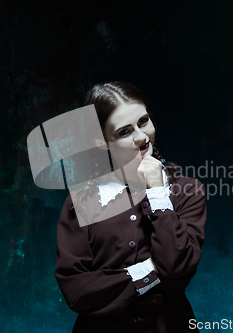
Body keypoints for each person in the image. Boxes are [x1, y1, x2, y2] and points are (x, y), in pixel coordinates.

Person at [54, 81, 207, 333]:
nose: (141, 136)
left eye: (143, 121)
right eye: (124, 132)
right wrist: (149, 270)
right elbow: (77, 291)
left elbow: (177, 269)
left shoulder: (187, 190)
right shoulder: (81, 200)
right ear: (102, 141)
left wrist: (157, 191)